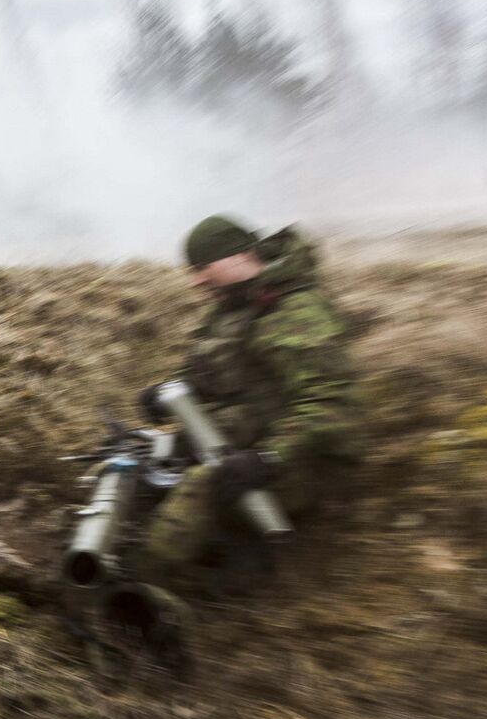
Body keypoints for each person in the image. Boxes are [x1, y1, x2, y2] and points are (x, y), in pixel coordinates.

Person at [139, 214, 357, 574]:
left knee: (201, 483)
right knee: (143, 460)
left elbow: (331, 405)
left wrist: (268, 458)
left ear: (239, 258)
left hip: (299, 463)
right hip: (242, 441)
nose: (195, 281)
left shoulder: (296, 313)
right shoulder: (233, 308)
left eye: (203, 268)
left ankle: (138, 582)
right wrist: (167, 390)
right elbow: (209, 370)